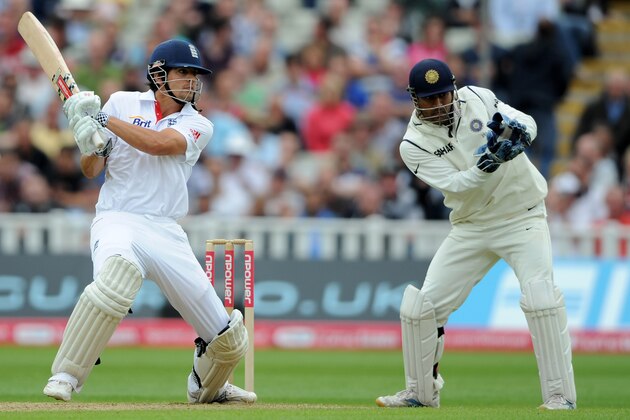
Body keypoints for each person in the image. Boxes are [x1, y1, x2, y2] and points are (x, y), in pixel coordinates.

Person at [42, 38, 257, 405]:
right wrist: (91, 144)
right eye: (183, 72)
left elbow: (159, 145)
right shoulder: (123, 102)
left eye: (194, 74)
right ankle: (65, 375)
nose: (191, 80)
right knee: (114, 282)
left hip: (165, 229)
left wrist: (103, 120)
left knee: (229, 338)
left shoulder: (198, 123)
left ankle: (206, 387)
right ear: (159, 74)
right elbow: (92, 169)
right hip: (118, 218)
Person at [375, 59, 576, 410]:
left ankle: (560, 397)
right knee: (422, 308)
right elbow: (456, 186)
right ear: (414, 100)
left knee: (541, 299)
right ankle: (421, 393)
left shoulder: (478, 97)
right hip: (472, 225)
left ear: (452, 90)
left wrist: (519, 134)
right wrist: (489, 162)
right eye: (428, 100)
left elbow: (526, 121)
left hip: (522, 216)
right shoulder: (413, 143)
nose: (438, 105)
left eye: (442, 96)